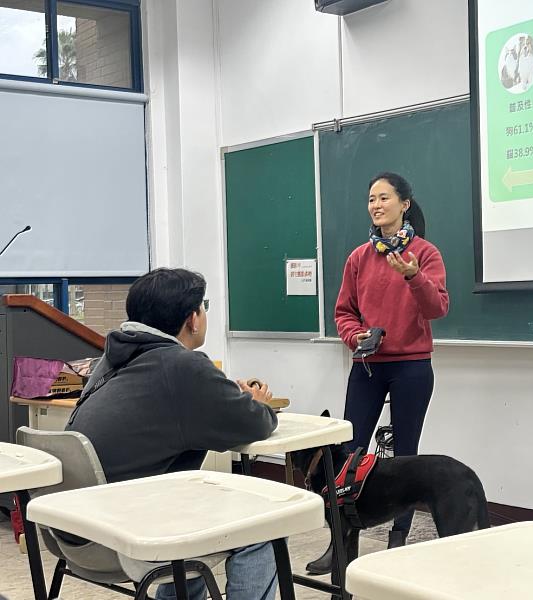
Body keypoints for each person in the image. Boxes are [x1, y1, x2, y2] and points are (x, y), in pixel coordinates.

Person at [66, 268, 279, 600]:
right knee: (265, 523)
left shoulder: (113, 357)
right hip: (124, 537)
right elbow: (254, 424)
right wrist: (257, 402)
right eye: (203, 306)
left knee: (193, 507)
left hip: (75, 530)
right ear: (192, 319)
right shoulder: (182, 366)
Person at [306, 172, 449, 575]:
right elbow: (343, 313)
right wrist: (356, 337)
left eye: (384, 197)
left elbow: (438, 307)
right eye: (371, 199)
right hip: (368, 366)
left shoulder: (426, 253)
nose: (376, 205)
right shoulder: (358, 258)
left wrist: (411, 275)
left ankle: (398, 543)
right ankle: (340, 544)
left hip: (412, 367)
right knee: (348, 456)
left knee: (405, 457)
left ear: (405, 204)